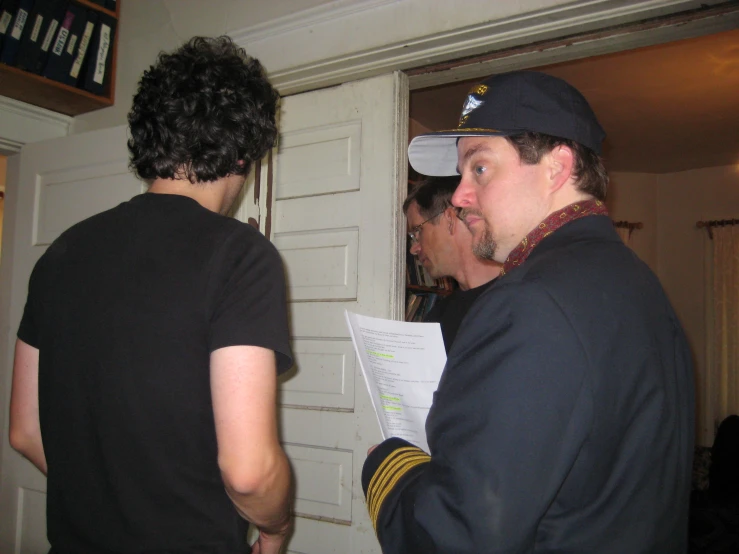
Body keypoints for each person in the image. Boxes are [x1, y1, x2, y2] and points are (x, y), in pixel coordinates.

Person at [362, 70, 695, 553]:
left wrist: (386, 465)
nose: (459, 196)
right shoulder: (637, 284)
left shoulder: (529, 302)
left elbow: (456, 536)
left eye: (479, 168)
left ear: (556, 167)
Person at [9, 37, 294, 554]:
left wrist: (110, 497)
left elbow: (25, 431)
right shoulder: (240, 256)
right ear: (240, 152)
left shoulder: (60, 255)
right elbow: (249, 473)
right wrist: (276, 529)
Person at [405, 176, 501, 351]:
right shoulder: (437, 319)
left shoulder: (522, 297)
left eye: (418, 232)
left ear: (449, 219)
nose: (414, 248)